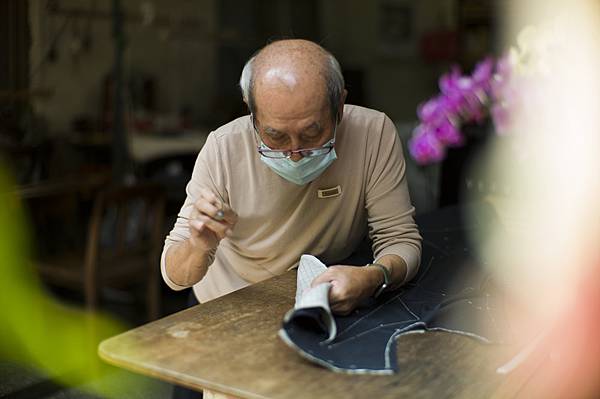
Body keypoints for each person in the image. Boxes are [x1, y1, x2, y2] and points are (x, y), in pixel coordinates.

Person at [163, 38, 421, 399]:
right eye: (275, 135)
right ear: (251, 112)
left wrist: (374, 276)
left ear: (341, 105)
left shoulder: (373, 134)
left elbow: (400, 239)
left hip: (311, 311)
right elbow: (174, 276)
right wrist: (198, 244)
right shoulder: (223, 148)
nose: (295, 154)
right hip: (226, 310)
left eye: (313, 132)